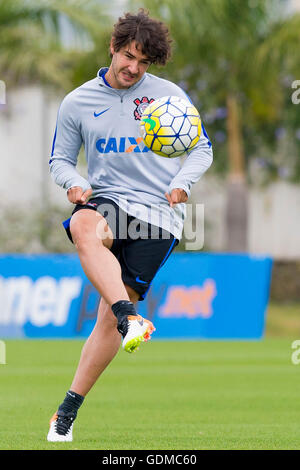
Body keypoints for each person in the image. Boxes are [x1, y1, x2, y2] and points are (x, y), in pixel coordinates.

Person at [47, 9, 213, 442]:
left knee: (104, 321)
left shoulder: (168, 97)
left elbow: (202, 148)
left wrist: (182, 182)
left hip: (158, 216)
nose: (133, 69)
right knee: (84, 227)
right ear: (113, 47)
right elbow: (60, 160)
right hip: (107, 201)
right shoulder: (77, 102)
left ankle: (66, 411)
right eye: (128, 57)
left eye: (143, 62)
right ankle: (130, 318)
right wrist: (75, 182)